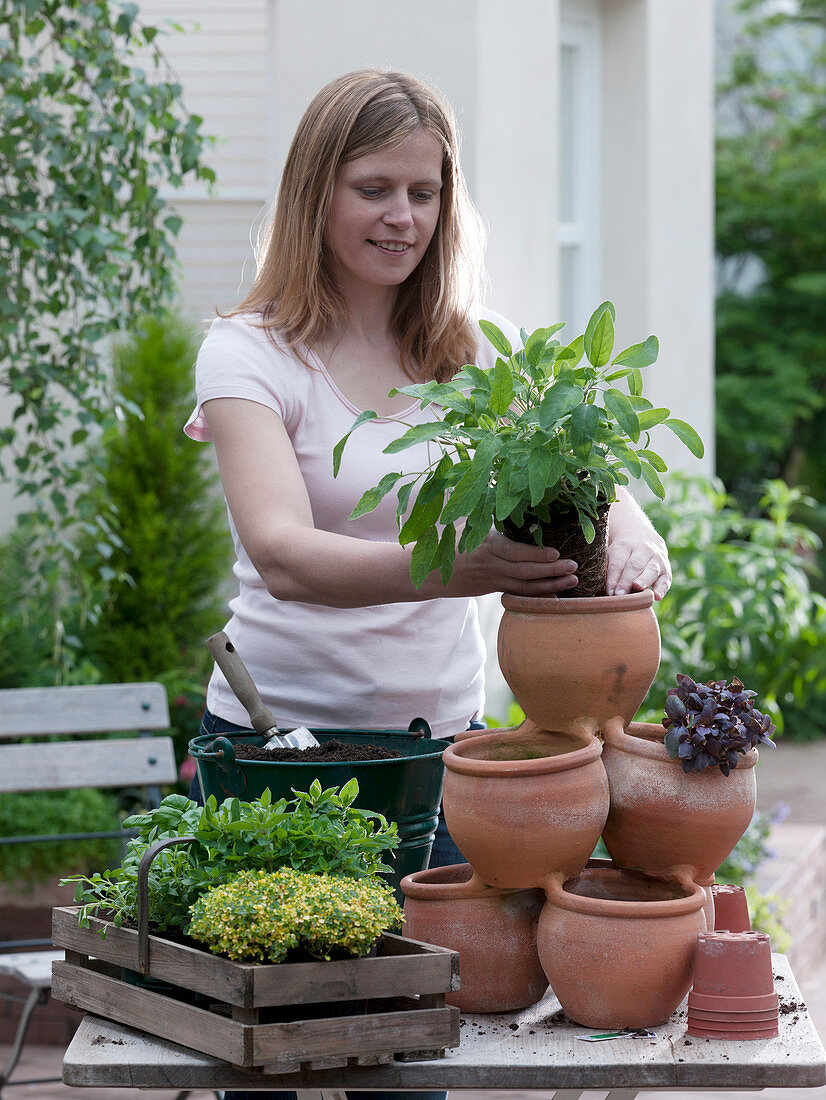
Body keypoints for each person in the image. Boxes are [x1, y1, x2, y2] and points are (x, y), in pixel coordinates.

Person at [184, 68, 671, 1099]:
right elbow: (282, 552)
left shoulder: (470, 350)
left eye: (424, 189)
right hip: (279, 757)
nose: (402, 215)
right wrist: (458, 570)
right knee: (269, 1062)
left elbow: (581, 455)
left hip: (441, 764)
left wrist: (628, 524)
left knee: (408, 1068)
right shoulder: (247, 354)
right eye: (373, 187)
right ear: (315, 191)